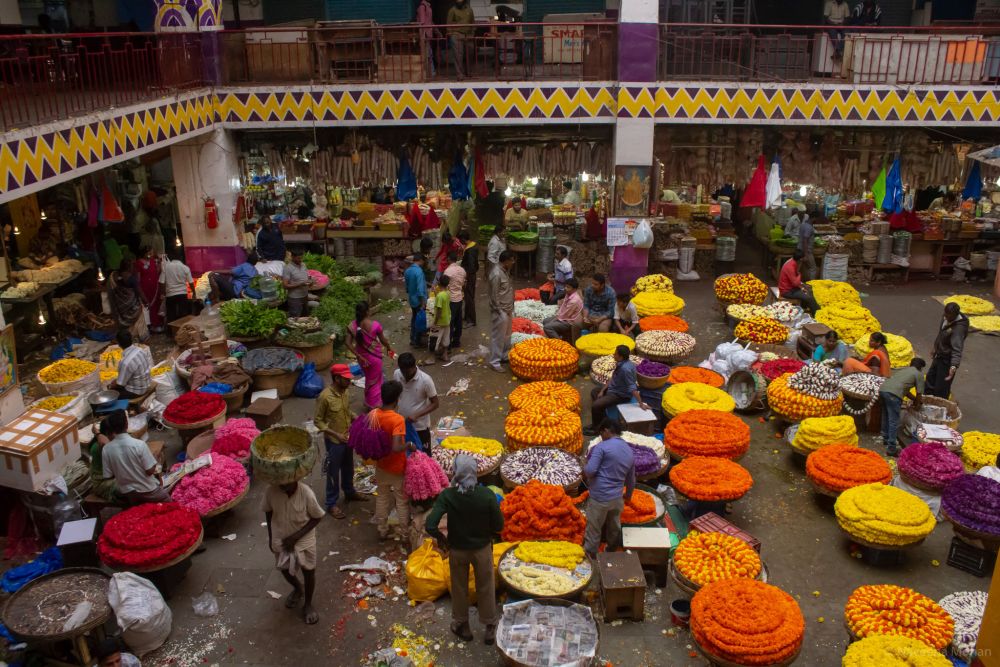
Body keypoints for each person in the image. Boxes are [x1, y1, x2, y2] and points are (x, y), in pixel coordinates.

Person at [426, 453, 503, 645]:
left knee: (459, 588)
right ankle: (490, 627)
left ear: (456, 472)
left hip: (458, 549)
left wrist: (442, 540)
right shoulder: (486, 495)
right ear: (475, 472)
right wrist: (489, 533)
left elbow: (430, 525)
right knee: (485, 586)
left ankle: (463, 625)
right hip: (482, 549)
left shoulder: (448, 495)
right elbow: (499, 525)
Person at [262, 479, 324, 625]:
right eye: (281, 483)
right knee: (283, 568)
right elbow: (268, 512)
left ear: (295, 478)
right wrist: (271, 537)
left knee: (308, 571)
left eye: (287, 483)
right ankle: (298, 588)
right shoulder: (271, 491)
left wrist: (295, 537)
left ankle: (308, 604)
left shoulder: (306, 493)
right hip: (281, 535)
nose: (283, 485)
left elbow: (317, 517)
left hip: (304, 538)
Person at [314, 364, 367, 518]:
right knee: (333, 472)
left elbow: (346, 411)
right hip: (334, 441)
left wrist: (356, 418)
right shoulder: (324, 397)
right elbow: (318, 422)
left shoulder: (345, 392)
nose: (350, 382)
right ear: (337, 379)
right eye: (346, 379)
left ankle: (349, 492)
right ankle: (331, 503)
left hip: (347, 437)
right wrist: (335, 434)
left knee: (348, 467)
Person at [582, 420, 635, 560]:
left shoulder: (602, 447)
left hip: (600, 496)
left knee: (594, 528)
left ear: (606, 430)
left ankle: (590, 556)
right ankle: (611, 551)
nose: (601, 436)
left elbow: (590, 471)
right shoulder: (628, 450)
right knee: (614, 526)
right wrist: (628, 496)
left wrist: (583, 465)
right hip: (617, 498)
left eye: (601, 433)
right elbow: (631, 479)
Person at [101, 410, 170, 505]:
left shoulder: (106, 449)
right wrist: (155, 460)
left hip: (129, 493)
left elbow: (108, 475)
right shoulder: (139, 445)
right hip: (148, 490)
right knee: (169, 501)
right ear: (126, 425)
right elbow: (150, 471)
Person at [372, 380, 411, 541]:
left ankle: (382, 529)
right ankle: (404, 533)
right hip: (397, 467)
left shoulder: (374, 414)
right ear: (397, 399)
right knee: (401, 500)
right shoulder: (397, 420)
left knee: (382, 497)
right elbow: (396, 447)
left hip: (381, 465)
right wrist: (408, 445)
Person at [585, 345, 650, 435]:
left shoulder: (625, 369)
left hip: (620, 394)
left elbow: (633, 388)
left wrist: (641, 403)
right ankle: (601, 419)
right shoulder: (622, 363)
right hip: (613, 388)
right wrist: (602, 390)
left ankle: (597, 429)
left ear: (621, 356)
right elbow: (613, 378)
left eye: (615, 354)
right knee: (595, 392)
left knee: (596, 405)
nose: (613, 355)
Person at [345, 302, 393, 410]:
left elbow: (347, 343)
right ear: (367, 311)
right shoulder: (375, 325)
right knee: (375, 382)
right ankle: (373, 405)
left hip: (362, 359)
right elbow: (383, 340)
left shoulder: (352, 326)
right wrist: (389, 347)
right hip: (374, 358)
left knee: (369, 379)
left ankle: (368, 402)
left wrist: (358, 355)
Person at [877, 358, 926, 456]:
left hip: (883, 390)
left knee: (886, 414)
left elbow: (905, 390)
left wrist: (913, 399)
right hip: (893, 395)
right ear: (920, 368)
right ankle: (891, 448)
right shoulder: (918, 374)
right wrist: (918, 403)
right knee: (893, 421)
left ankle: (886, 438)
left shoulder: (903, 371)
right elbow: (919, 393)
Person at [394, 353, 440, 452]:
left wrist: (417, 415)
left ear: (414, 366)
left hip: (420, 427)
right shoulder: (397, 374)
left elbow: (435, 403)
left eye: (408, 372)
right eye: (403, 371)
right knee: (406, 454)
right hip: (402, 424)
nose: (405, 375)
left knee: (422, 455)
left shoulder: (426, 380)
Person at [926, 302, 969, 399]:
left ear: (955, 315)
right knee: (930, 379)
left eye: (948, 316)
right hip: (940, 354)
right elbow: (941, 333)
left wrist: (953, 366)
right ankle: (927, 402)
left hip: (947, 360)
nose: (945, 317)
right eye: (945, 314)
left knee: (941, 388)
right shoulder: (946, 316)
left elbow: (957, 349)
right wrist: (935, 347)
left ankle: (939, 408)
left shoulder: (958, 330)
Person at [487, 251, 515, 372]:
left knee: (507, 335)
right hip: (500, 310)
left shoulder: (505, 271)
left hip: (508, 308)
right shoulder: (496, 274)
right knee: (498, 336)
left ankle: (504, 355)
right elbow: (494, 295)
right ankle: (495, 361)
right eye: (512, 260)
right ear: (506, 260)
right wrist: (499, 311)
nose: (513, 263)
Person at [108, 260, 149, 342]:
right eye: (132, 266)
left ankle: (127, 338)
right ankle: (140, 337)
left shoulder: (115, 278)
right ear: (129, 267)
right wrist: (146, 301)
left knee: (127, 325)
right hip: (133, 306)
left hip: (122, 308)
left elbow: (114, 291)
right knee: (138, 321)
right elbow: (139, 291)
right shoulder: (132, 279)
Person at [111, 330, 153, 400]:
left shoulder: (125, 362)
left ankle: (127, 408)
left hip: (137, 391)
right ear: (131, 340)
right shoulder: (141, 350)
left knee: (112, 392)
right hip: (147, 383)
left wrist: (113, 385)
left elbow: (120, 384)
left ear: (118, 344)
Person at [89, 419, 123, 503]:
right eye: (114, 432)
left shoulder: (102, 442)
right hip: (103, 483)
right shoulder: (103, 446)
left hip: (109, 478)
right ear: (108, 433)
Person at [778, 249, 819, 314]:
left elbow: (795, 280)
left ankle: (805, 308)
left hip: (791, 287)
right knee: (808, 297)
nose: (806, 258)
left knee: (809, 290)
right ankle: (817, 314)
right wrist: (799, 274)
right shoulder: (790, 267)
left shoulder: (792, 261)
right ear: (801, 259)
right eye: (804, 257)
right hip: (787, 291)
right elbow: (795, 283)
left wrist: (802, 285)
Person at [542, 277, 583, 342]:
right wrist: (556, 317)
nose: (565, 289)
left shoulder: (574, 301)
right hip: (564, 318)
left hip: (569, 321)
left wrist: (555, 319)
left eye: (568, 287)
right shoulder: (568, 294)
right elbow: (562, 308)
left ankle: (561, 343)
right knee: (545, 321)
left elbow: (566, 315)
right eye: (565, 286)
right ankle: (558, 336)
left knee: (547, 327)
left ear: (574, 289)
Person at [160, 248, 194, 324]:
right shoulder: (185, 268)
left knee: (171, 315)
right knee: (183, 315)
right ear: (181, 258)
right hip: (182, 294)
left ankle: (172, 332)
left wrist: (162, 293)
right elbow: (191, 282)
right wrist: (194, 293)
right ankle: (183, 331)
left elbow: (161, 282)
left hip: (170, 294)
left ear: (171, 258)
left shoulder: (166, 267)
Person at [133, 247, 163, 332]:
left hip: (155, 286)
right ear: (144, 253)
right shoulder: (138, 263)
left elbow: (157, 272)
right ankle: (151, 325)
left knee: (157, 304)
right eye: (149, 252)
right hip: (145, 287)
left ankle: (158, 323)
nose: (151, 254)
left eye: (151, 252)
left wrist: (160, 263)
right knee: (149, 305)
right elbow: (138, 278)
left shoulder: (153, 261)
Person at [443, 250, 467, 349]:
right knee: (458, 320)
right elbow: (464, 283)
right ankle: (457, 341)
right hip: (459, 297)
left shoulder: (447, 271)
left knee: (450, 321)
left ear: (448, 259)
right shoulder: (462, 270)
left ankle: (448, 343)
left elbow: (444, 286)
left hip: (451, 299)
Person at [446, 0, 475, 78]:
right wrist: (452, 34)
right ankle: (460, 74)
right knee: (458, 55)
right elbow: (448, 25)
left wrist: (472, 34)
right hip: (457, 34)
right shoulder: (452, 10)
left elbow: (473, 23)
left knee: (470, 53)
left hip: (468, 35)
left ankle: (469, 72)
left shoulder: (469, 10)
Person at [405, 253, 429, 347]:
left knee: (414, 318)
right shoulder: (419, 271)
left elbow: (407, 287)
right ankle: (417, 341)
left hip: (412, 299)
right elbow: (420, 289)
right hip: (419, 300)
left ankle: (413, 339)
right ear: (421, 260)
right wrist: (423, 302)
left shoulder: (408, 271)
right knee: (419, 320)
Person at [281, 249, 312, 318]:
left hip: (304, 296)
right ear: (292, 257)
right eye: (298, 258)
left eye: (301, 257)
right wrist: (300, 284)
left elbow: (307, 277)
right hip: (295, 298)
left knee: (305, 317)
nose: (300, 260)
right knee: (296, 318)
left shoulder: (303, 265)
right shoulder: (288, 268)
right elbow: (285, 285)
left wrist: (310, 281)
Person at [458, 230, 478, 327]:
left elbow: (471, 266)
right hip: (471, 275)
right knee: (467, 296)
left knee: (469, 298)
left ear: (463, 239)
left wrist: (466, 278)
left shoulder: (470, 251)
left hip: (469, 276)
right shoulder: (473, 246)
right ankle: (467, 316)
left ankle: (472, 320)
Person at [432, 275, 452, 361]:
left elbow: (439, 310)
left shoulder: (440, 296)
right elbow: (441, 297)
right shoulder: (447, 293)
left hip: (440, 321)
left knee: (437, 338)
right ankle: (445, 355)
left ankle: (436, 354)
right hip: (447, 319)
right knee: (446, 338)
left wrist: (435, 322)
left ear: (439, 283)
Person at [797, 213, 816, 281]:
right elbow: (805, 240)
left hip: (799, 249)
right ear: (814, 218)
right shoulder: (809, 227)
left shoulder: (803, 225)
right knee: (813, 268)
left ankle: (796, 282)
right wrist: (806, 254)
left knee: (798, 268)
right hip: (806, 251)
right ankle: (812, 285)